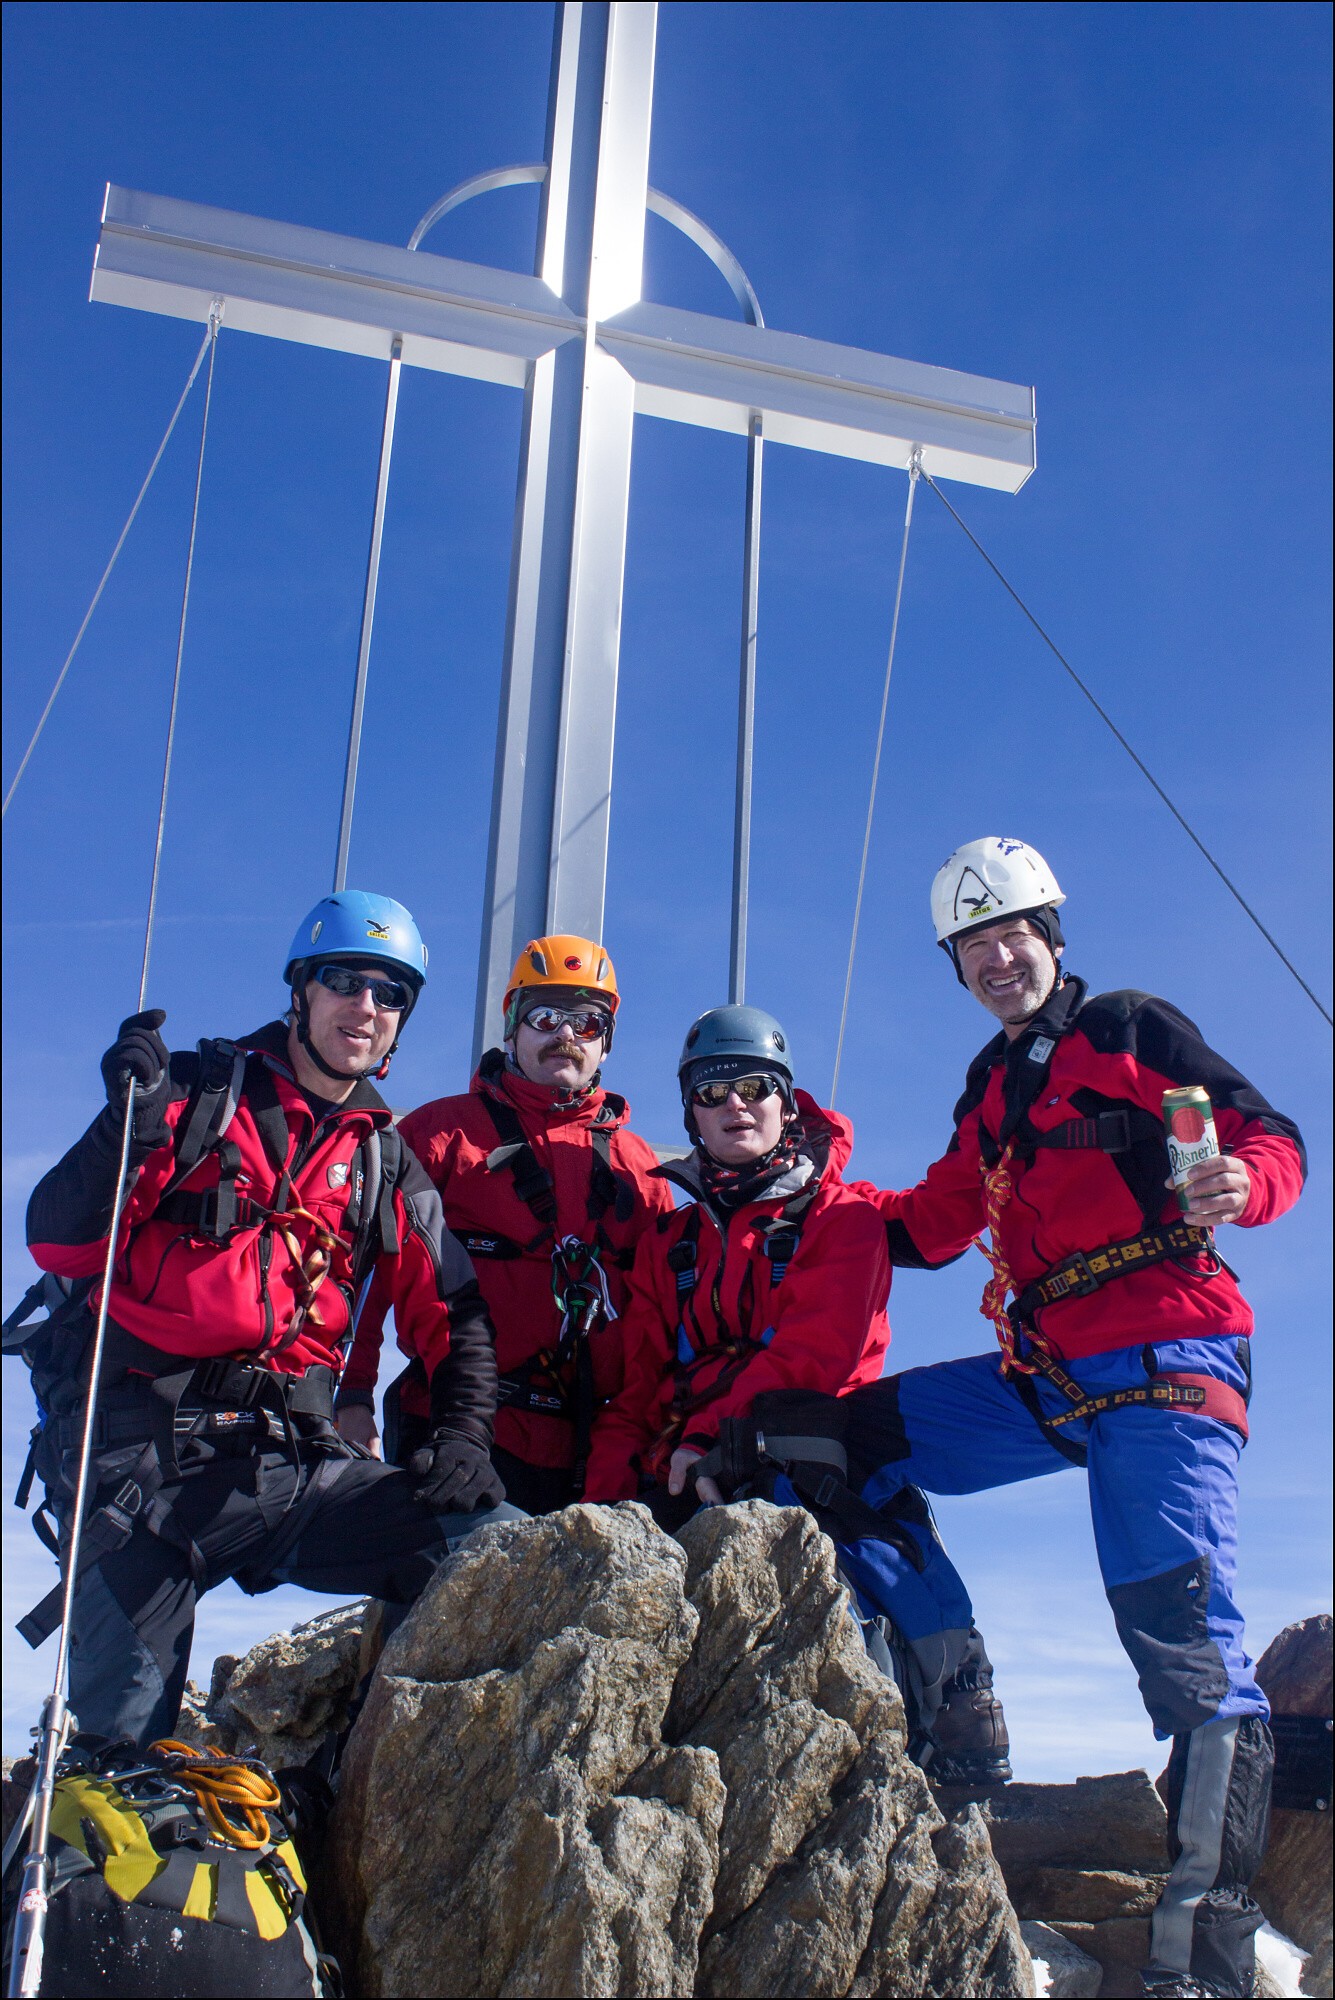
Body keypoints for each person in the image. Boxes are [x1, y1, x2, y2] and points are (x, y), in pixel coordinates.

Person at [719, 838, 1305, 2000]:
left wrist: (1245, 1183)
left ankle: (1205, 1956)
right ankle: (962, 1707)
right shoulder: (989, 1088)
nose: (996, 957)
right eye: (971, 945)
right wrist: (795, 1162)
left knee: (1182, 1645)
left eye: (1012, 933)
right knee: (828, 1433)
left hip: (1165, 1360)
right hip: (1044, 1372)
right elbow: (927, 1223)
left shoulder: (1132, 1030)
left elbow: (1262, 1135)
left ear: (1052, 933)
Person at [18, 891, 518, 1749]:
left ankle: (361, 1788)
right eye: (343, 980)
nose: (365, 1006)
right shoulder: (188, 1095)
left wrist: (466, 1438)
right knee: (116, 1756)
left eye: (391, 992)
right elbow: (59, 1245)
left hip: (287, 1466)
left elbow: (457, 1316)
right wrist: (121, 1131)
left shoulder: (382, 1160)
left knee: (506, 1553)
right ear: (301, 991)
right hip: (140, 1472)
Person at [581, 1003, 1012, 1797]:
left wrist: (708, 1439)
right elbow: (634, 1385)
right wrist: (606, 1504)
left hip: (807, 1439)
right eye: (713, 1091)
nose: (734, 1104)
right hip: (687, 1454)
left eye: (754, 1086)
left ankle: (933, 1703)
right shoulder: (669, 1244)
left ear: (787, 1103)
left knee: (830, 1500)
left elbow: (815, 1350)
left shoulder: (841, 1218)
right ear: (691, 1113)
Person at [337, 935, 673, 1512]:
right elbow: (367, 1270)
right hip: (455, 1429)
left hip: (591, 1453)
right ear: (512, 1029)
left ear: (606, 1044)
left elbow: (665, 1325)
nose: (565, 1035)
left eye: (587, 1024)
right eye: (544, 1017)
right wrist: (352, 1393)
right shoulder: (440, 1134)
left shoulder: (643, 1173)